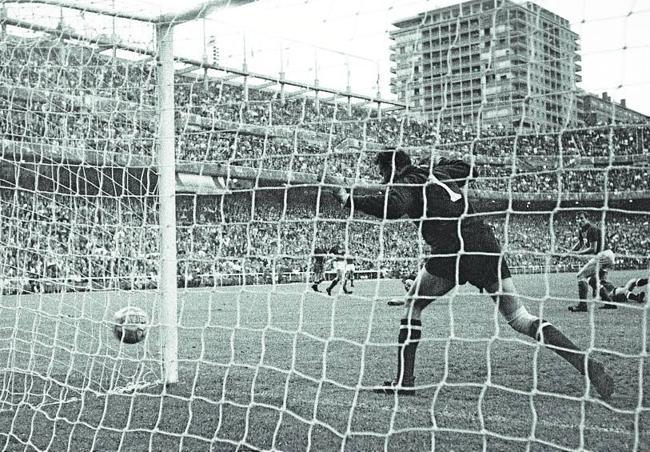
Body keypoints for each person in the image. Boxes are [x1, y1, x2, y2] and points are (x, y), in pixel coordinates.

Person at [329, 149, 614, 398]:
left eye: (382, 173)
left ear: (392, 168)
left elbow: (394, 206)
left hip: (452, 247)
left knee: (413, 304)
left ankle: (405, 381)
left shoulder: (406, 180)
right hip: (484, 241)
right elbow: (469, 168)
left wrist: (347, 199)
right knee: (519, 317)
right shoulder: (438, 171)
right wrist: (436, 163)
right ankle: (587, 365)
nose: (382, 180)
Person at [568, 214, 616, 312]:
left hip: (604, 255)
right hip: (604, 256)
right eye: (577, 219)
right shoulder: (582, 231)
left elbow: (593, 249)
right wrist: (570, 252)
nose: (579, 221)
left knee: (581, 276)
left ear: (587, 219)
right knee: (592, 280)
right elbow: (580, 244)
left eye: (582, 218)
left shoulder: (592, 229)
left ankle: (583, 306)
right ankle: (609, 302)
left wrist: (577, 253)